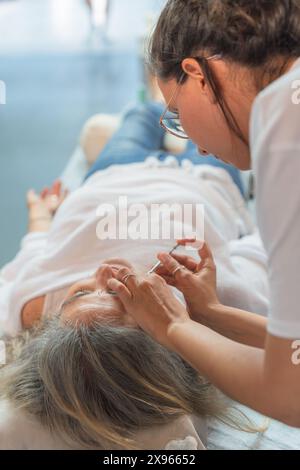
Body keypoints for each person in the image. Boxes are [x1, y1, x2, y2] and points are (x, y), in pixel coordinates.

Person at [0, 102, 266, 449]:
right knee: (208, 111)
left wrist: (39, 215)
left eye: (80, 294)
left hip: (112, 175)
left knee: (142, 113)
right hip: (204, 178)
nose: (104, 272)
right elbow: (265, 248)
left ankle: (153, 106)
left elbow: (34, 252)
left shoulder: (31, 308)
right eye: (120, 295)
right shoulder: (217, 306)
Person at [105, 0, 300, 428]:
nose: (199, 144)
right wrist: (211, 313)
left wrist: (175, 328)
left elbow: (292, 394)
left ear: (197, 75)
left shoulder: (286, 125)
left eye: (175, 115)